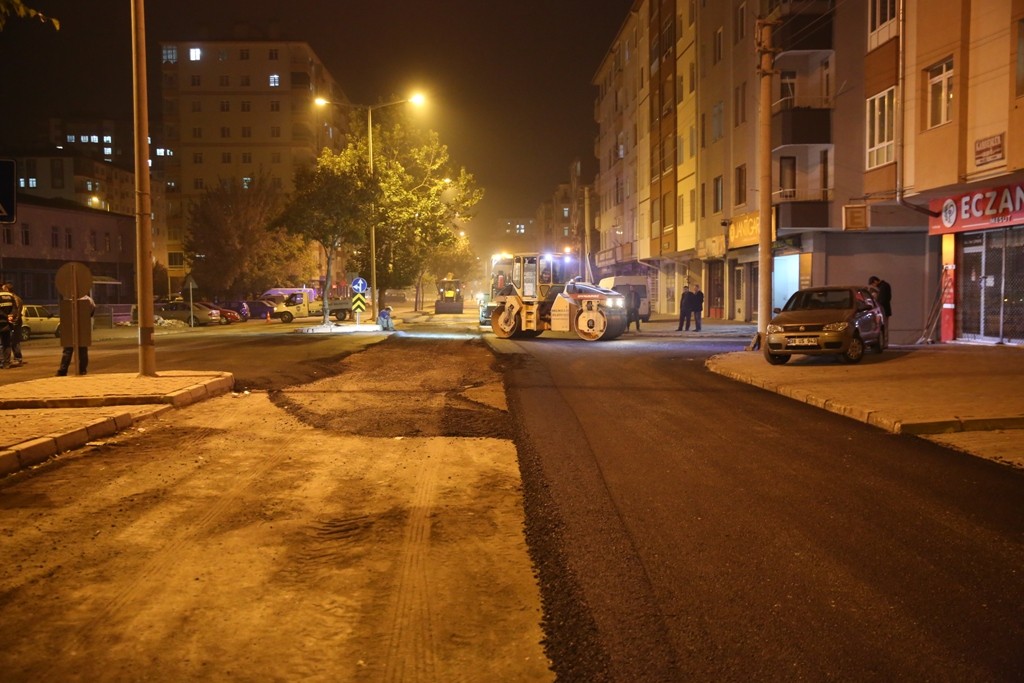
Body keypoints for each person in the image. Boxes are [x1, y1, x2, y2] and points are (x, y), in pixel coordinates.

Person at [56, 293, 95, 376]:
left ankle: (63, 370)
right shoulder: (88, 300)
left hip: (70, 328)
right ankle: (82, 370)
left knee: (67, 350)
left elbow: (64, 312)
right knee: (83, 350)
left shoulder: (68, 299)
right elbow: (92, 311)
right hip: (83, 327)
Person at [3, 283, 24, 367]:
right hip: (13, 322)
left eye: (4, 289)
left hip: (14, 322)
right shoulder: (14, 298)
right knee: (12, 341)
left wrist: (13, 322)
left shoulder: (14, 298)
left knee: (14, 341)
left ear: (7, 290)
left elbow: (17, 311)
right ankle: (16, 358)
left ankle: (18, 358)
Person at [0, 285, 18, 369]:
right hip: (7, 323)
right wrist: (11, 316)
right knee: (6, 343)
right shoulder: (11, 296)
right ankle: (6, 363)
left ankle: (1, 361)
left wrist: (5, 316)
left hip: (2, 320)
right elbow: (15, 308)